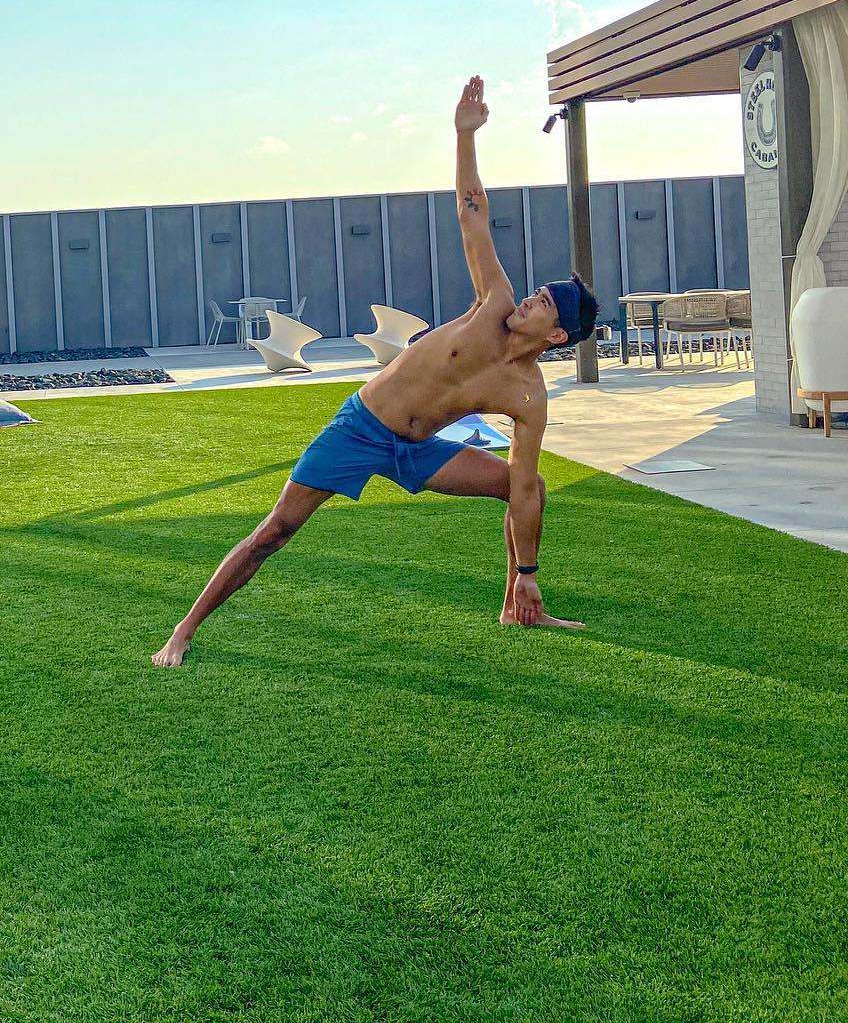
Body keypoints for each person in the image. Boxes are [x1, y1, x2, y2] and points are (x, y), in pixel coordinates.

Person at [151, 77, 598, 667]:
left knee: (527, 486)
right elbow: (473, 216)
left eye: (543, 303)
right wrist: (465, 136)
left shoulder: (528, 397)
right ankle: (182, 632)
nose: (529, 300)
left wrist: (530, 571)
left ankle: (515, 601)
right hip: (361, 429)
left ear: (558, 334)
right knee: (275, 532)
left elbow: (521, 482)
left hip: (417, 448)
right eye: (536, 291)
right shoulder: (493, 303)